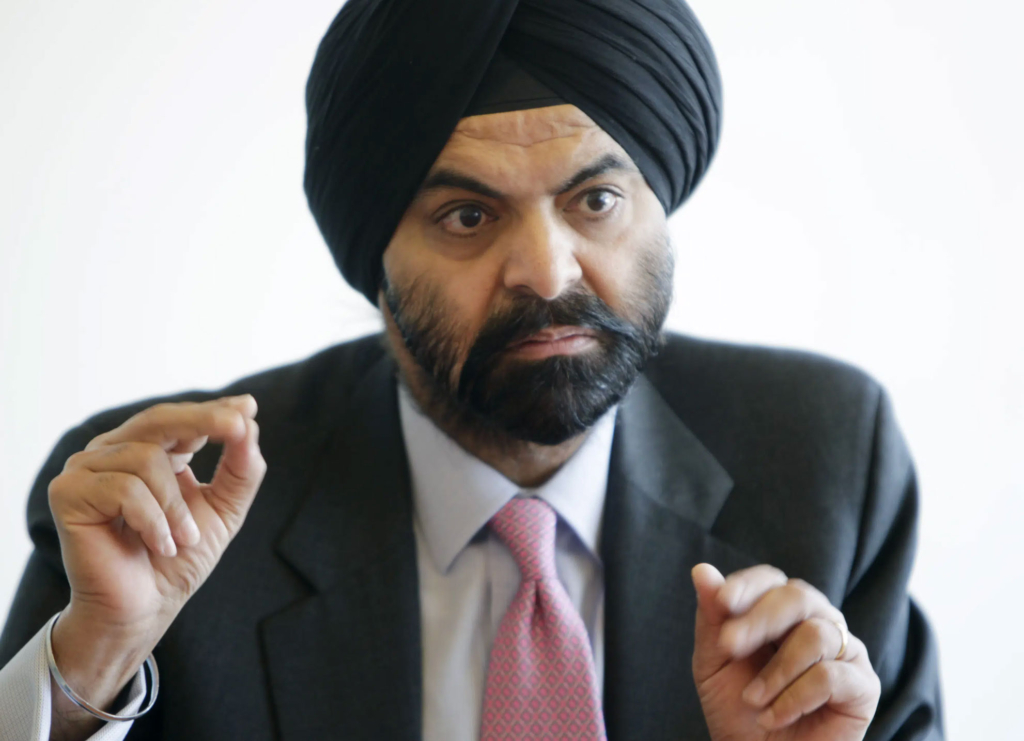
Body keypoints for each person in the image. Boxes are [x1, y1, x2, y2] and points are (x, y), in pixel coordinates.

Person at [0, 0, 943, 739]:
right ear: (374, 257)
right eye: (467, 216)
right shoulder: (166, 517)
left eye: (597, 199)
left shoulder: (825, 460)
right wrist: (92, 670)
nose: (547, 270)